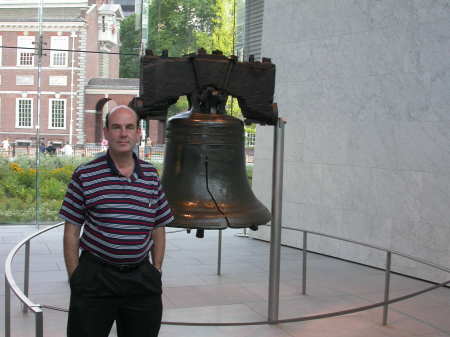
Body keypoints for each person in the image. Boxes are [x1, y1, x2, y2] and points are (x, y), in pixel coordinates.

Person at [59, 105, 174, 337]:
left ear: (138, 133)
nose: (123, 133)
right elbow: (71, 231)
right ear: (106, 133)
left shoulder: (151, 176)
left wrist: (156, 270)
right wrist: (76, 278)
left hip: (141, 279)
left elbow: (158, 226)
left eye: (130, 127)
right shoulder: (85, 174)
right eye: (117, 127)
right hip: (96, 278)